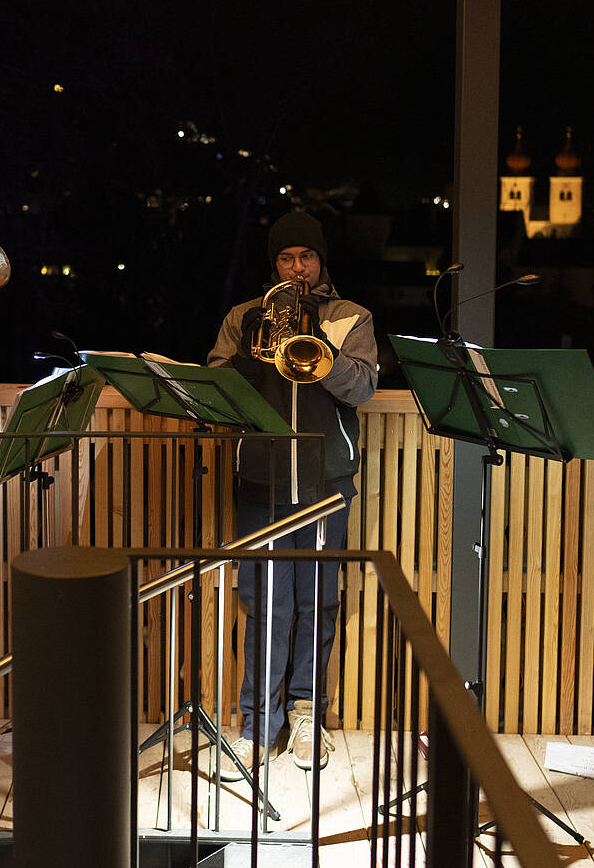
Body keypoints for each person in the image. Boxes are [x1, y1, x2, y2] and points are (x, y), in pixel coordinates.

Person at [206, 211, 377, 775]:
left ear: (321, 261)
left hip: (326, 482)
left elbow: (362, 385)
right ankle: (258, 723)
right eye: (286, 258)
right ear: (274, 263)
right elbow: (216, 385)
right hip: (262, 480)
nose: (297, 267)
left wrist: (317, 347)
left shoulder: (351, 317)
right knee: (263, 603)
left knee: (318, 602)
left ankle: (307, 713)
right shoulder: (243, 316)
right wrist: (254, 347)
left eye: (306, 256)